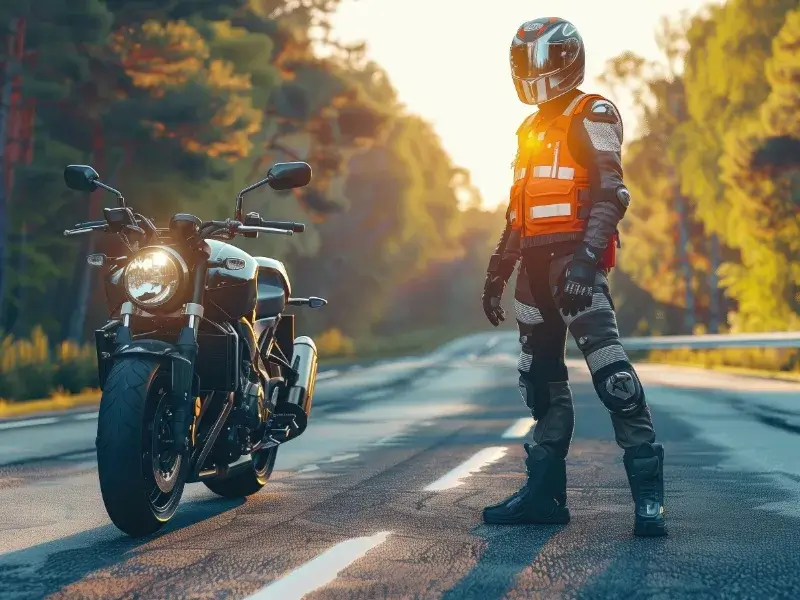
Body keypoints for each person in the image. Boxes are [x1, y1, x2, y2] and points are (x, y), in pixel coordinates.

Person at [480, 17, 666, 537]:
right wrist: (498, 271)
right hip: (532, 271)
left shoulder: (594, 112)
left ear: (567, 59)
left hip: (573, 263)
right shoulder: (530, 128)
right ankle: (544, 496)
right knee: (538, 380)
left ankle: (648, 499)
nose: (531, 72)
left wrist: (587, 260)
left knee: (612, 373)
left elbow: (613, 193)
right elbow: (519, 211)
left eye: (538, 60)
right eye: (524, 62)